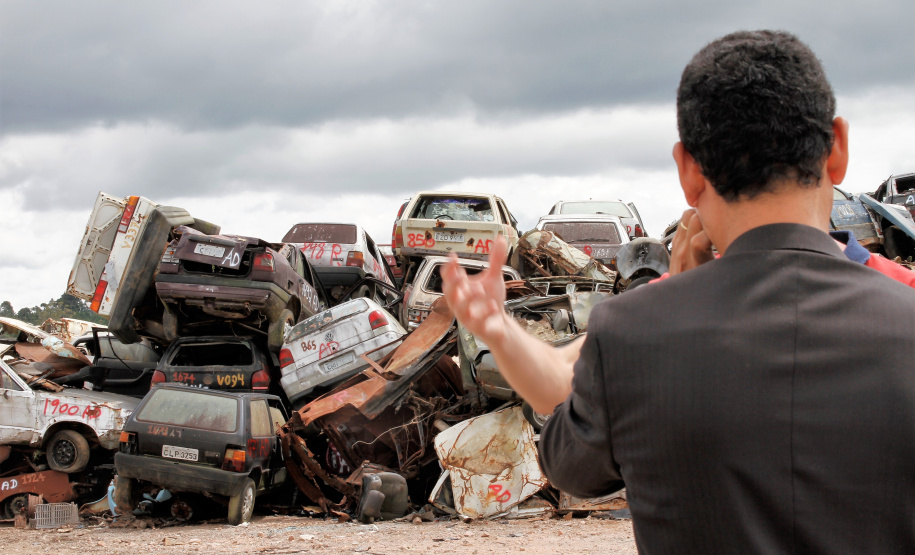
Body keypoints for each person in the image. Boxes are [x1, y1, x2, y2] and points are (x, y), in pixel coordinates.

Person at [442, 30, 915, 553]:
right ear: (837, 149)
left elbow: (570, 464)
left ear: (689, 171)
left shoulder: (632, 331)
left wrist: (670, 309)